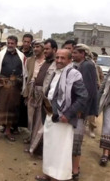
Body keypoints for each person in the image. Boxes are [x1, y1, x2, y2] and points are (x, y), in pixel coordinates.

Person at [35, 49, 88, 181]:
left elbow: (83, 97)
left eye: (62, 58)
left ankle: (57, 177)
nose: (59, 60)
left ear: (70, 60)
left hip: (63, 119)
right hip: (51, 115)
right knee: (49, 147)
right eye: (57, 57)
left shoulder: (73, 74)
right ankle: (48, 175)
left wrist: (68, 114)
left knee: (60, 151)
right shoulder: (56, 72)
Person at [24, 39, 57, 156]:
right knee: (33, 121)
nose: (45, 51)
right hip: (34, 94)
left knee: (41, 124)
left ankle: (36, 148)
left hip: (45, 98)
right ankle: (33, 145)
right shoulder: (45, 62)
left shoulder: (55, 64)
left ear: (54, 50)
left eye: (47, 49)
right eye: (46, 48)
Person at [0, 35, 26, 141]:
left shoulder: (22, 56)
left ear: (16, 44)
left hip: (16, 87)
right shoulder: (0, 55)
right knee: (0, 107)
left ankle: (8, 131)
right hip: (2, 86)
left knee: (12, 108)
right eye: (8, 43)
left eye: (12, 43)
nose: (10, 45)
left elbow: (25, 72)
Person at [71, 44, 98, 180]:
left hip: (80, 110)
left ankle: (75, 170)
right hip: (77, 108)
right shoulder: (80, 65)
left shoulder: (87, 66)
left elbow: (88, 90)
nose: (73, 55)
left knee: (76, 140)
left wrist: (81, 109)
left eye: (75, 53)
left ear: (83, 53)